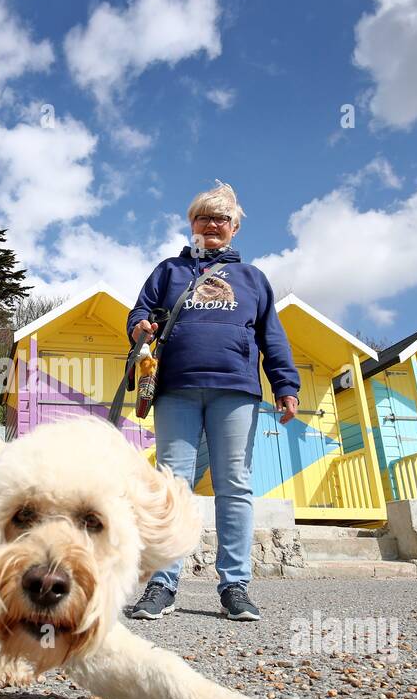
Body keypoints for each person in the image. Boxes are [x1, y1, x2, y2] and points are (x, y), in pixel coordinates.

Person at [126, 181, 299, 622]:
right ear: (192, 224)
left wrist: (286, 384)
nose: (212, 225)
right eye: (203, 217)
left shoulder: (253, 279)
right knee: (173, 487)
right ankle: (162, 584)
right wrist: (140, 325)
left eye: (221, 218)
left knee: (234, 486)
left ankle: (235, 586)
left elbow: (271, 336)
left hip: (236, 390)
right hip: (175, 389)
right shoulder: (167, 271)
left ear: (235, 227)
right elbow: (139, 310)